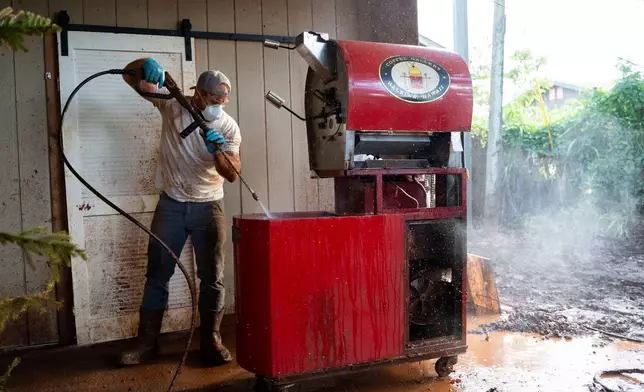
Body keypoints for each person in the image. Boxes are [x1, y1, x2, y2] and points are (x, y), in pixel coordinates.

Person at [117, 57, 241, 367]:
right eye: (212, 100)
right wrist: (144, 64)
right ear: (198, 93)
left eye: (222, 102)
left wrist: (219, 153)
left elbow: (233, 173)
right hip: (171, 203)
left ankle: (211, 339)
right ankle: (147, 343)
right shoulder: (172, 105)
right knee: (157, 274)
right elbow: (128, 76)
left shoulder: (227, 126)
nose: (217, 107)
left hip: (209, 206)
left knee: (212, 277)